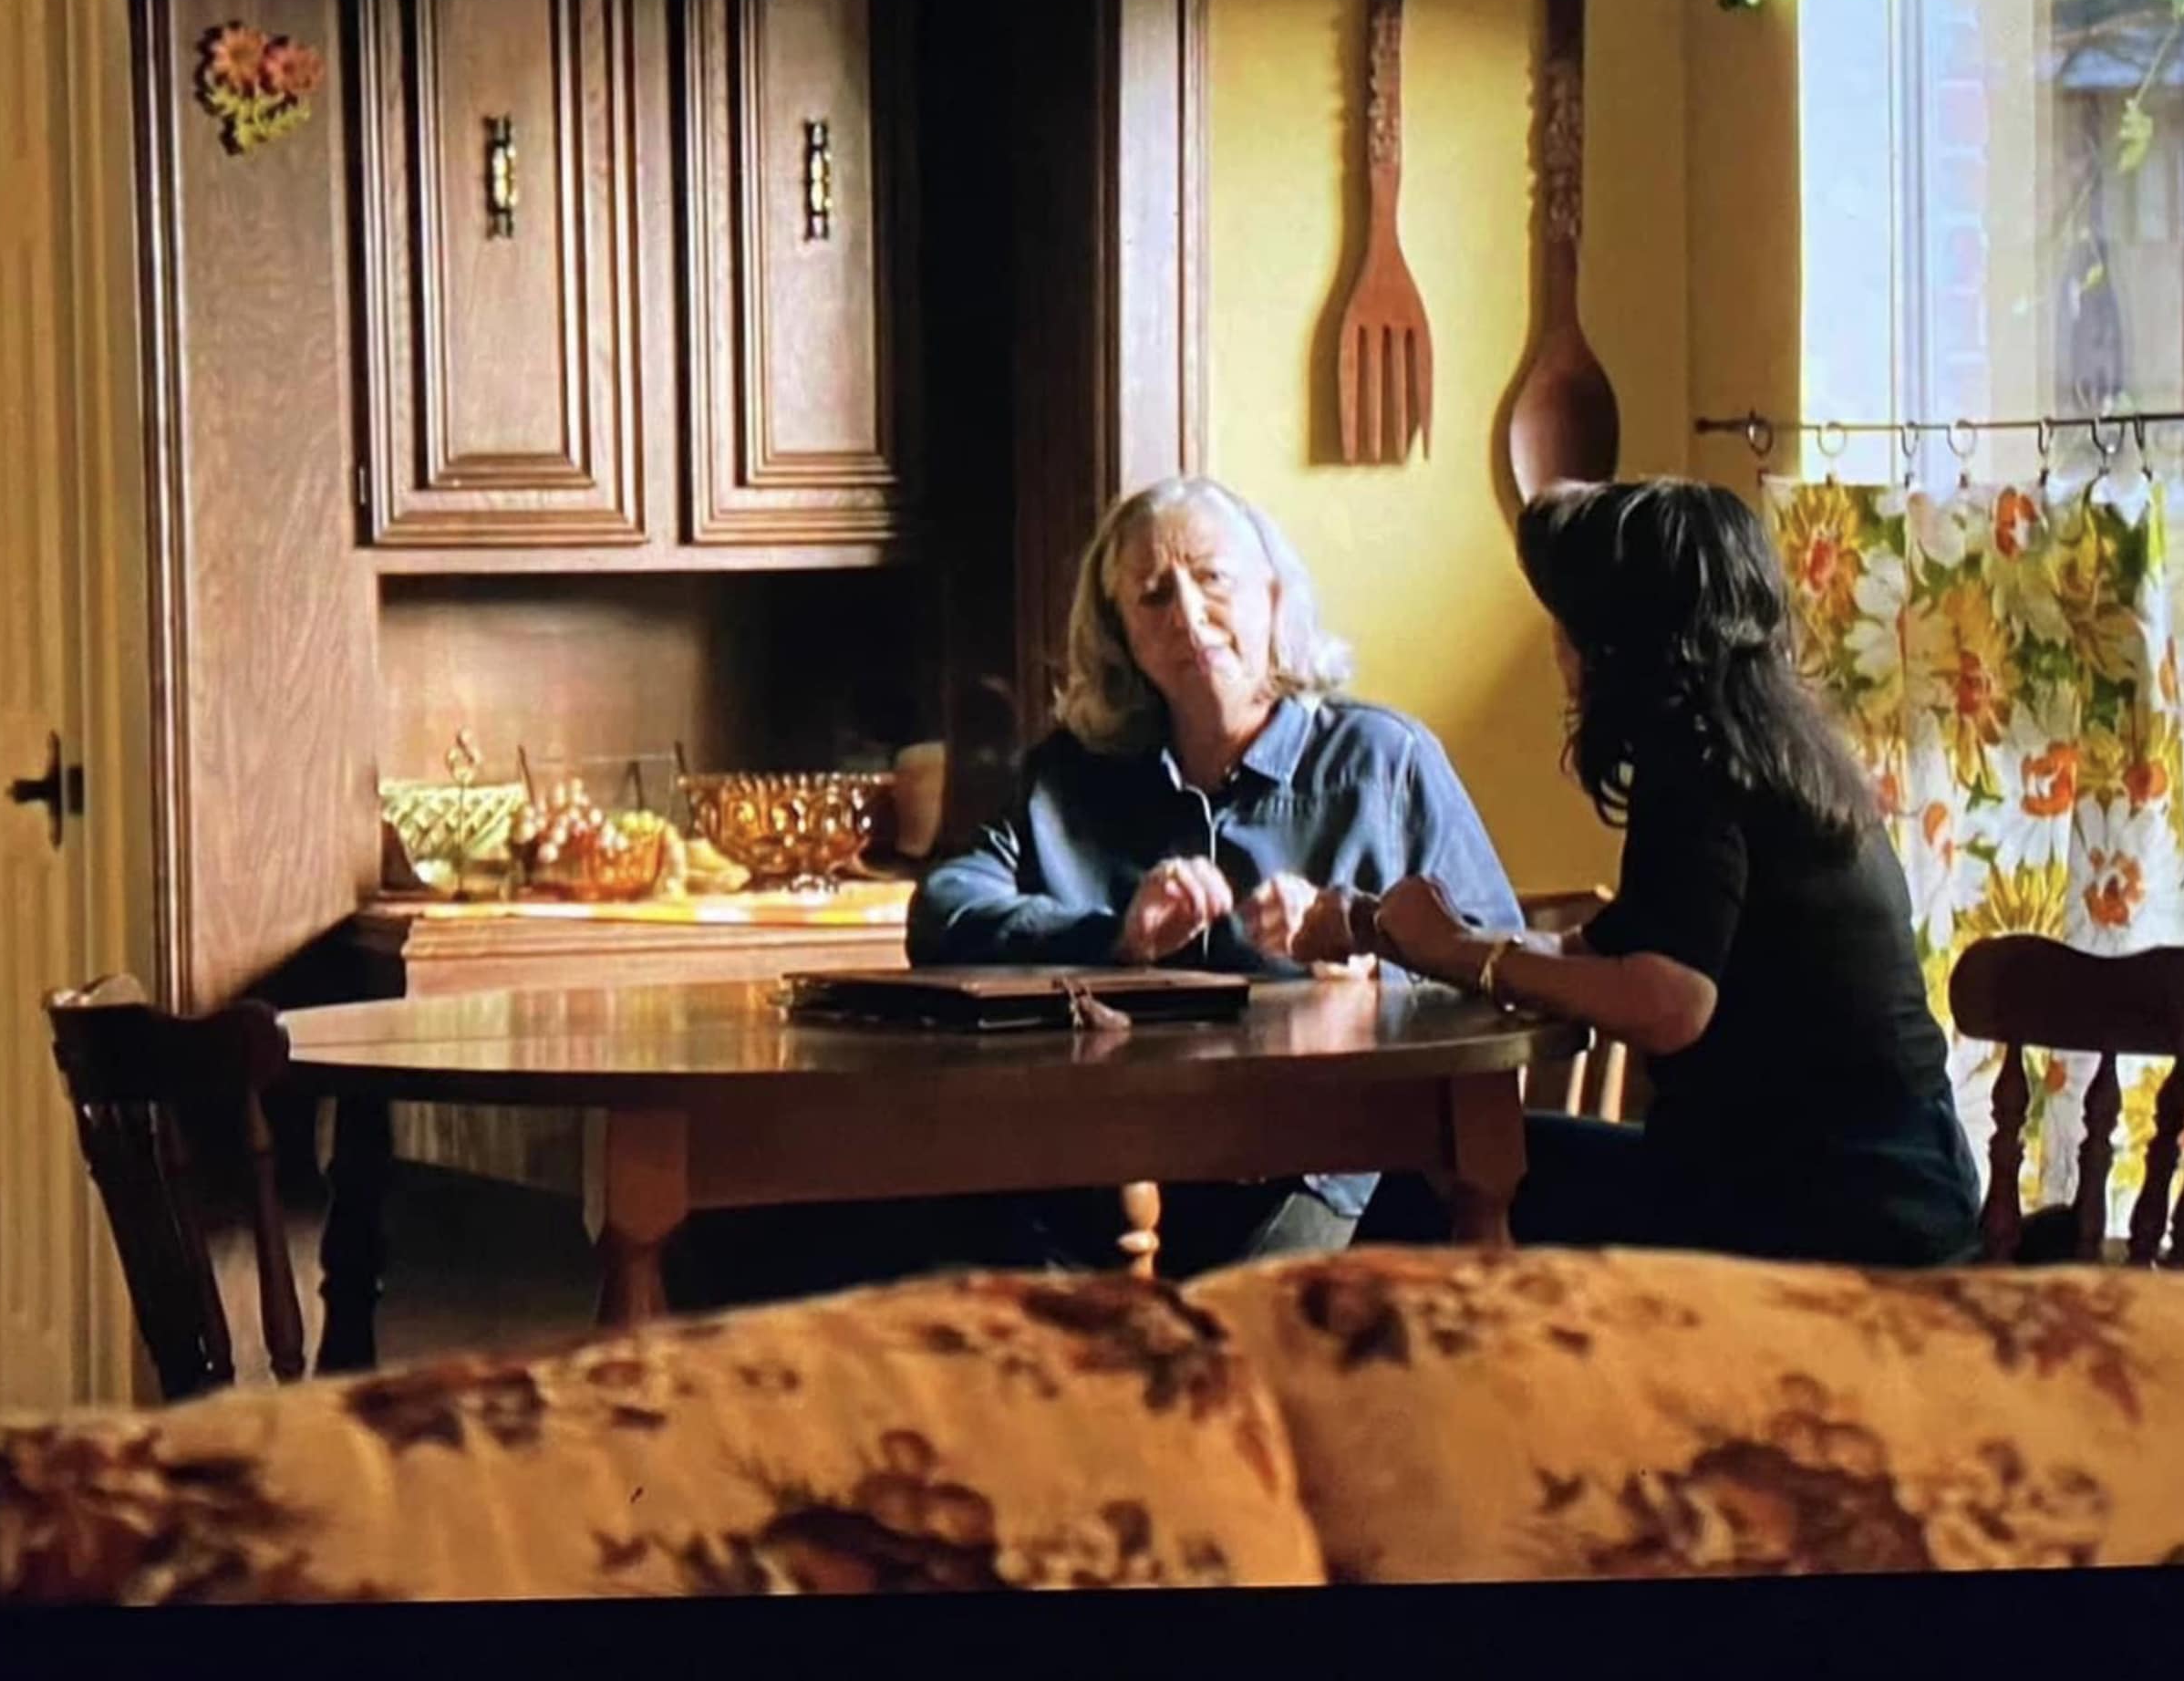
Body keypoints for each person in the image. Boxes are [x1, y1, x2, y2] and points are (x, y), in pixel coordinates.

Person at [663, 474, 1523, 1307]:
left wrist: (1374, 964)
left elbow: (1506, 967)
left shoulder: (1384, 762)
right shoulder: (1074, 774)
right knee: (751, 1241)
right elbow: (944, 909)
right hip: (1086, 1170)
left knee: (1202, 1332)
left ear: (1272, 595)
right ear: (1121, 636)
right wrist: (1115, 934)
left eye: (1212, 579)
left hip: (1326, 1168)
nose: (1187, 614)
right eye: (1153, 595)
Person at [1336, 479, 1985, 1268]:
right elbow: (1600, 955)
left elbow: (1669, 1000)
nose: (1557, 646)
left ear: (1620, 641)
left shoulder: (1697, 762)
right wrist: (1425, 938)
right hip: (1898, 1182)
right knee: (1474, 1164)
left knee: (1442, 1181)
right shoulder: (1773, 749)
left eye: (1569, 623)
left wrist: (1468, 955)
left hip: (1830, 1202)